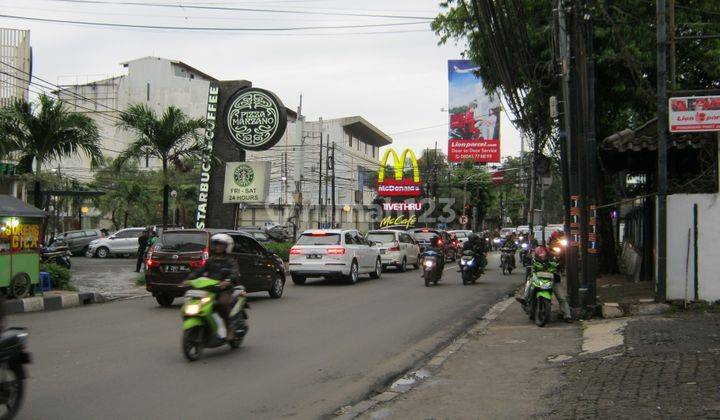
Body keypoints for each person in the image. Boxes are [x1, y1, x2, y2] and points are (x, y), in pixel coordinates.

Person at [186, 233, 241, 340]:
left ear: (227, 246)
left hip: (225, 290)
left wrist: (228, 281)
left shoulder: (230, 261)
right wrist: (189, 279)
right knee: (197, 303)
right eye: (216, 244)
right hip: (210, 289)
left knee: (221, 305)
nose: (218, 247)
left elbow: (234, 273)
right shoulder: (211, 260)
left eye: (221, 245)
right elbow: (200, 270)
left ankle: (230, 329)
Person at [517, 246, 572, 322]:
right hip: (538, 279)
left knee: (562, 297)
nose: (542, 256)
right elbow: (527, 263)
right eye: (539, 254)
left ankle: (567, 315)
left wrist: (559, 266)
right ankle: (525, 299)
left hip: (553, 280)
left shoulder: (552, 258)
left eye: (543, 254)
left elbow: (560, 264)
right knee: (530, 281)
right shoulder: (534, 259)